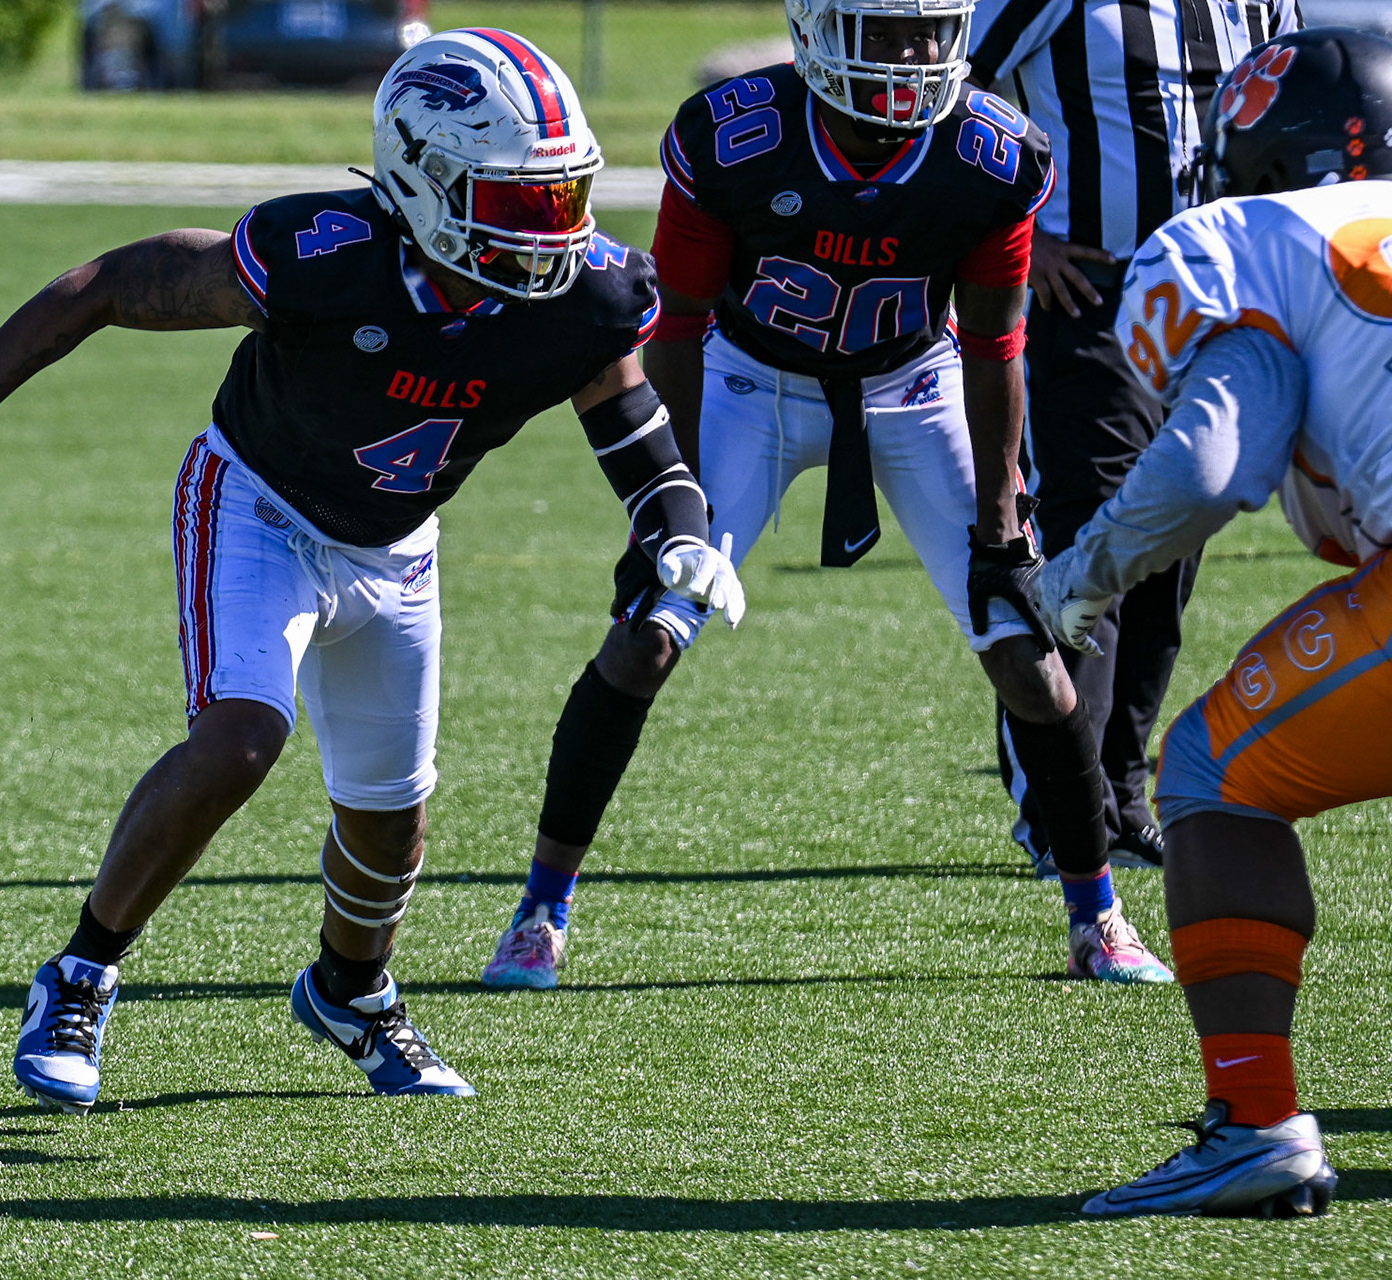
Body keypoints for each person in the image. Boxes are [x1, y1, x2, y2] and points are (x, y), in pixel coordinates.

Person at [0, 29, 744, 1112]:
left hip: (396, 545)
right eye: (515, 198)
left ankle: (352, 993)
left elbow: (635, 432)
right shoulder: (325, 254)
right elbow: (112, 284)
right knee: (242, 736)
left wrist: (679, 531)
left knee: (389, 814)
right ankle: (79, 974)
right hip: (256, 504)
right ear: (422, 178)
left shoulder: (588, 296)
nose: (550, 228)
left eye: (561, 195)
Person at [481, 0, 1174, 992]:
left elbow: (995, 344)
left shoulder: (992, 154)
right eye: (880, 32)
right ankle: (540, 911)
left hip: (916, 384)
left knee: (1029, 656)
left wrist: (1002, 524)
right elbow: (677, 326)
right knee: (646, 635)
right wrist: (671, 504)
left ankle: (1097, 916)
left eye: (926, 32)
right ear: (816, 29)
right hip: (747, 381)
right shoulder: (734, 137)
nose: (908, 55)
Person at [1043, 27, 1391, 1217]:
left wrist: (1076, 578)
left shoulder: (1245, 239)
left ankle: (1253, 1122)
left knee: (1209, 771)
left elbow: (1209, 468)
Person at [968, 0, 1301, 876]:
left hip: (1220, 292)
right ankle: (1061, 810)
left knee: (1175, 541)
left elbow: (1289, 97)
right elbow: (948, 96)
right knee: (1091, 532)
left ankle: (1120, 794)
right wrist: (1020, 239)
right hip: (1092, 292)